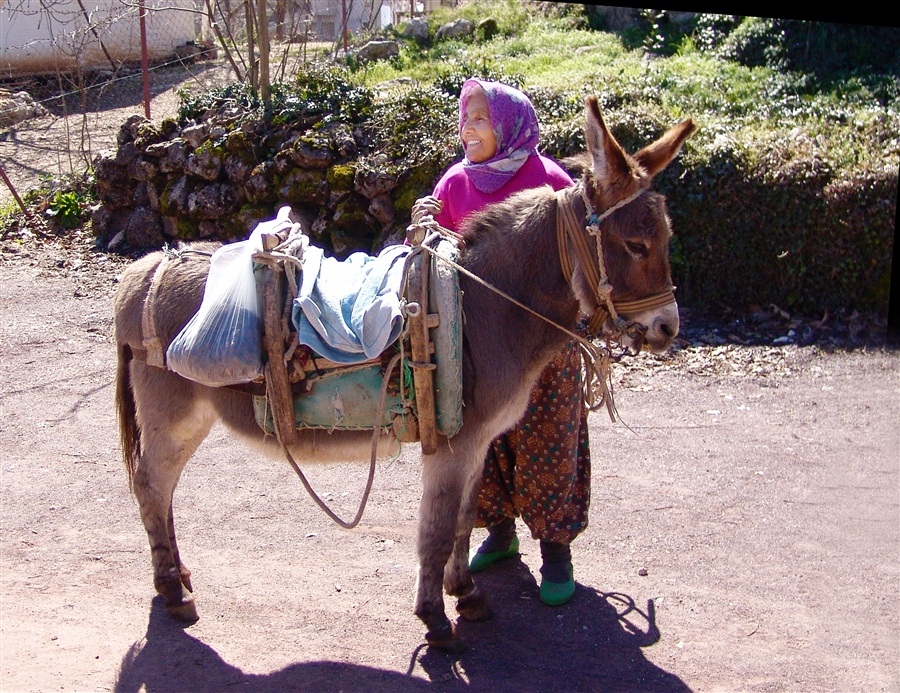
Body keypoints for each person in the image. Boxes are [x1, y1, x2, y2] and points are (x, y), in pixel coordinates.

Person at [425, 78, 591, 607]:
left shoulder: (552, 181)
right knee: (479, 442)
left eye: (480, 118)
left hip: (545, 348)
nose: (467, 128)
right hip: (475, 345)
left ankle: (555, 552)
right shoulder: (454, 184)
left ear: (509, 124)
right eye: (465, 118)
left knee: (548, 439)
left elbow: (582, 264)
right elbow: (440, 260)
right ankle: (498, 534)